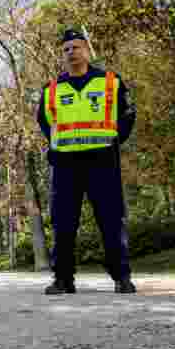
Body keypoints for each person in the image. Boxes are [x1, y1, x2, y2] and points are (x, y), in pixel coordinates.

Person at [37, 29, 138, 295]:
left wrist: (115, 141)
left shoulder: (110, 81)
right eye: (66, 49)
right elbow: (44, 121)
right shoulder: (51, 89)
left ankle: (121, 277)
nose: (71, 53)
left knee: (111, 220)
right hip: (65, 164)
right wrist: (57, 145)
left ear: (87, 50)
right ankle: (63, 279)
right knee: (63, 222)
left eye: (76, 47)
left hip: (102, 160)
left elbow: (127, 114)